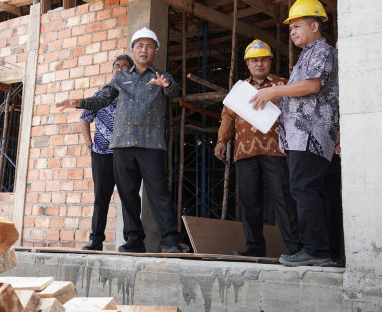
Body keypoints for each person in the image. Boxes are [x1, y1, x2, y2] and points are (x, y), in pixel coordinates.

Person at [57, 27, 183, 253]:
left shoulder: (161, 77)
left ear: (155, 51)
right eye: (140, 46)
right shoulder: (121, 79)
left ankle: (172, 241)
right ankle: (134, 240)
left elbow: (175, 92)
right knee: (128, 194)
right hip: (122, 145)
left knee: (159, 193)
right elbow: (100, 100)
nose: (144, 50)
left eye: (149, 46)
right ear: (133, 50)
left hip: (151, 144)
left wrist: (167, 86)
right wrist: (77, 102)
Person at [250, 0, 339, 267]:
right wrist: (278, 98)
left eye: (297, 26)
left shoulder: (321, 51)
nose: (292, 32)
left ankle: (314, 249)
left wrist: (275, 90)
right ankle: (328, 251)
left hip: (310, 133)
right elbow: (302, 93)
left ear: (315, 25)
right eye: (290, 28)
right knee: (316, 190)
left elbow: (312, 86)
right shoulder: (306, 55)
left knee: (304, 188)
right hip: (302, 135)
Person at [214, 39, 300, 257]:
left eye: (263, 60)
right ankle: (254, 249)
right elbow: (228, 114)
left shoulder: (283, 84)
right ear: (248, 64)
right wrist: (222, 140)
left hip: (276, 150)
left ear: (270, 62)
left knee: (283, 199)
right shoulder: (240, 89)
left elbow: (298, 110)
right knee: (249, 201)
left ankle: (296, 249)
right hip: (245, 152)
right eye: (255, 61)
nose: (259, 64)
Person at [79, 54, 134, 251]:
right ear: (112, 70)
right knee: (101, 197)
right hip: (101, 153)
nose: (120, 69)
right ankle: (95, 240)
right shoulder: (101, 94)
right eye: (117, 66)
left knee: (128, 197)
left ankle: (131, 241)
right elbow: (85, 118)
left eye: (125, 67)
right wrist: (89, 145)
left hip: (125, 154)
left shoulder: (132, 96)